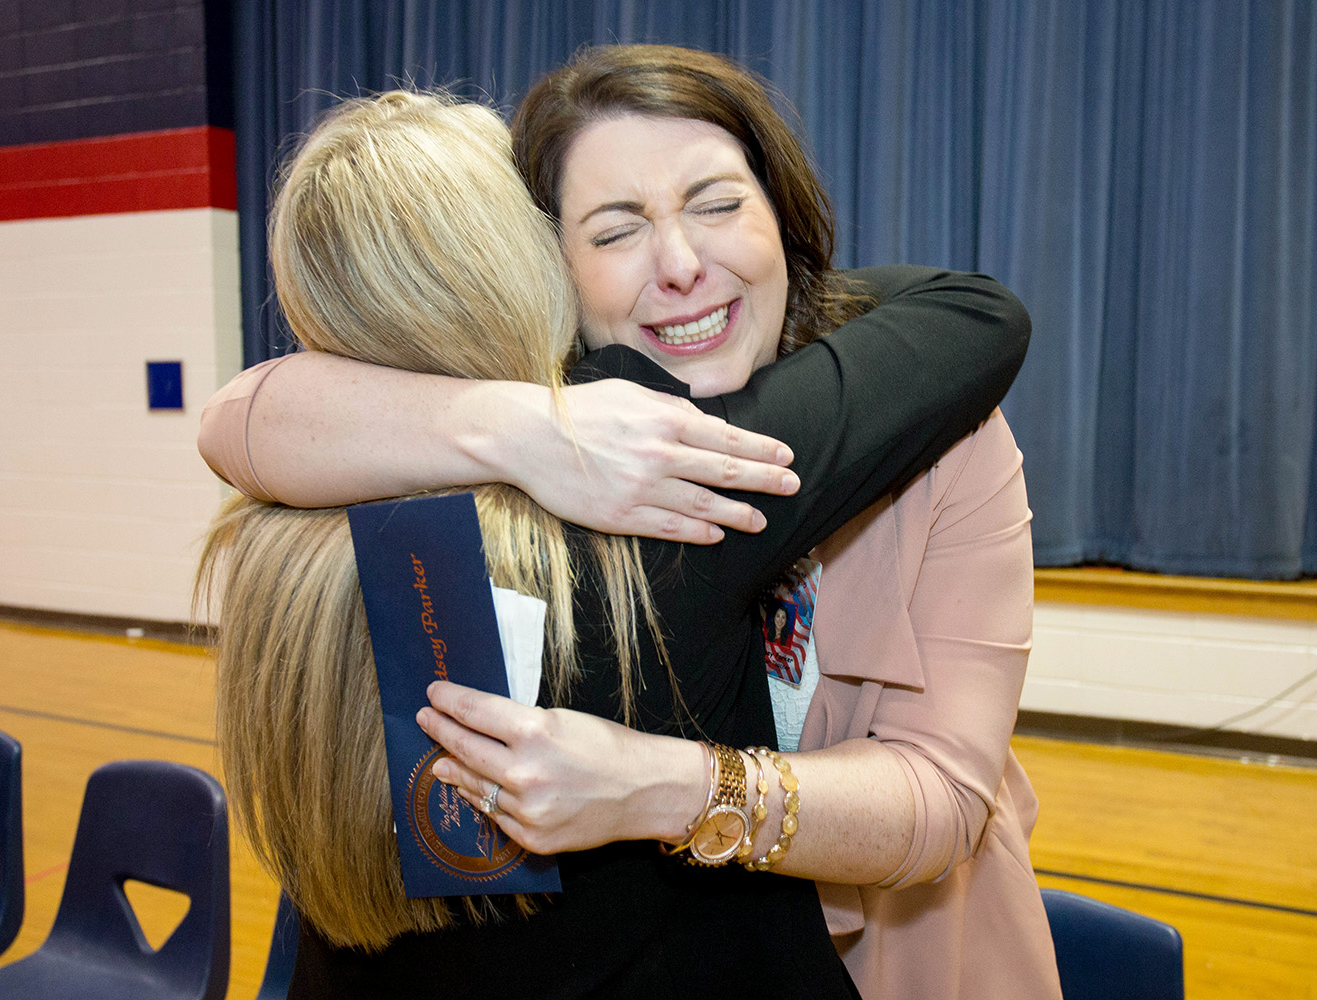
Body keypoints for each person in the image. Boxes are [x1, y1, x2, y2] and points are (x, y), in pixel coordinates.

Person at [198, 45, 1060, 1000]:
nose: (683, 265)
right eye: (615, 232)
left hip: (905, 959)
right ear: (545, 266)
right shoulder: (584, 449)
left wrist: (663, 784)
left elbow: (938, 798)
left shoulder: (933, 423)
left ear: (784, 212)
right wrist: (524, 429)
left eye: (720, 203)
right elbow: (241, 417)